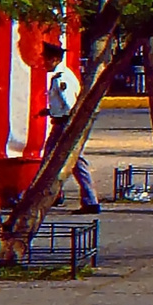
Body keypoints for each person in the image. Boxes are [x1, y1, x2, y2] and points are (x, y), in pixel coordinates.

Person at [39, 41, 100, 214]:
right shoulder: (64, 75)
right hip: (63, 122)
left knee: (51, 161)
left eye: (45, 59)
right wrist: (50, 111)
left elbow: (70, 105)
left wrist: (68, 126)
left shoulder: (61, 79)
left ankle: (45, 197)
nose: (43, 63)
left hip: (64, 125)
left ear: (54, 59)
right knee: (75, 163)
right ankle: (88, 200)